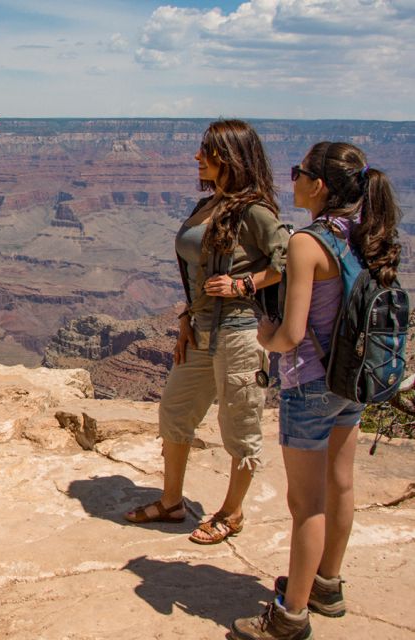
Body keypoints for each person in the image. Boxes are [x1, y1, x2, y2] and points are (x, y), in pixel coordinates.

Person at [229, 143, 401, 639]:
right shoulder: (367, 234)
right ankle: (328, 584)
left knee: (307, 505)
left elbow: (291, 335)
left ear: (318, 186)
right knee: (340, 486)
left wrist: (264, 334)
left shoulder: (309, 243)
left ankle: (290, 616)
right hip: (353, 380)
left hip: (309, 386)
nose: (294, 178)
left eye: (300, 172)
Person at [124, 120, 289, 544]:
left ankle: (232, 513)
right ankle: (172, 502)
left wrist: (244, 284)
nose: (197, 158)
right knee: (174, 413)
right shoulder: (209, 205)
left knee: (239, 425)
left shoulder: (255, 211)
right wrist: (184, 318)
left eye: (206, 151)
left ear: (229, 158)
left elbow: (288, 259)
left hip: (238, 330)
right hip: (199, 329)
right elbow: (195, 271)